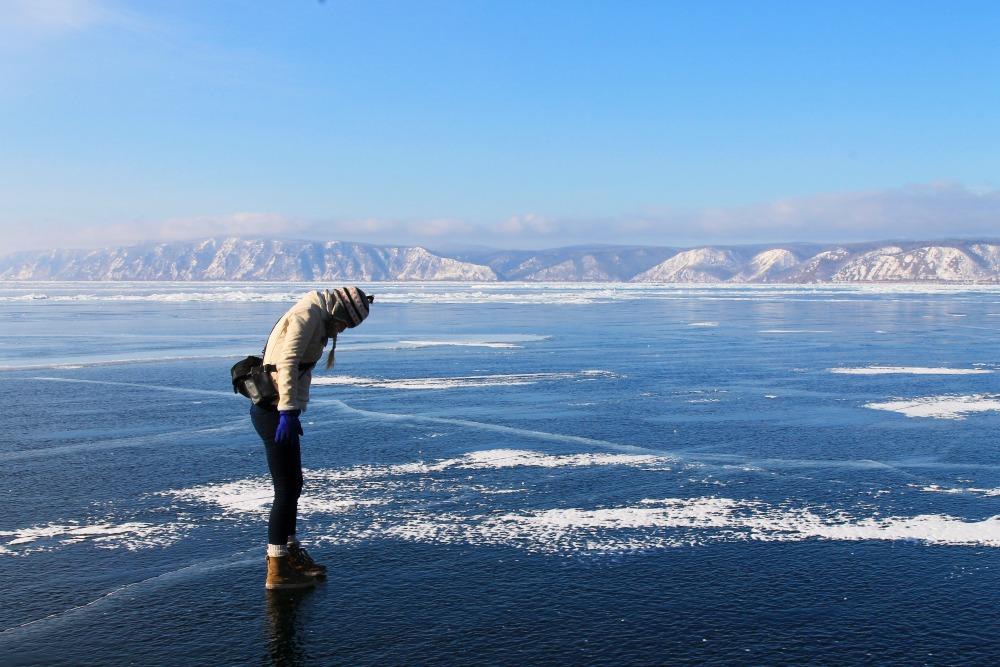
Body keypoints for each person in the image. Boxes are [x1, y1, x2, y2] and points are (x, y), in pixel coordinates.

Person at [250, 286, 373, 590]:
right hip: (273, 411)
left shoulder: (318, 315)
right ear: (339, 312)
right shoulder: (308, 314)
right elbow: (287, 361)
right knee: (286, 489)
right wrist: (288, 411)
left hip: (278, 410)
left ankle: (290, 554)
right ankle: (277, 569)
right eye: (346, 323)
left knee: (293, 485)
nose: (342, 330)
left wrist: (290, 411)